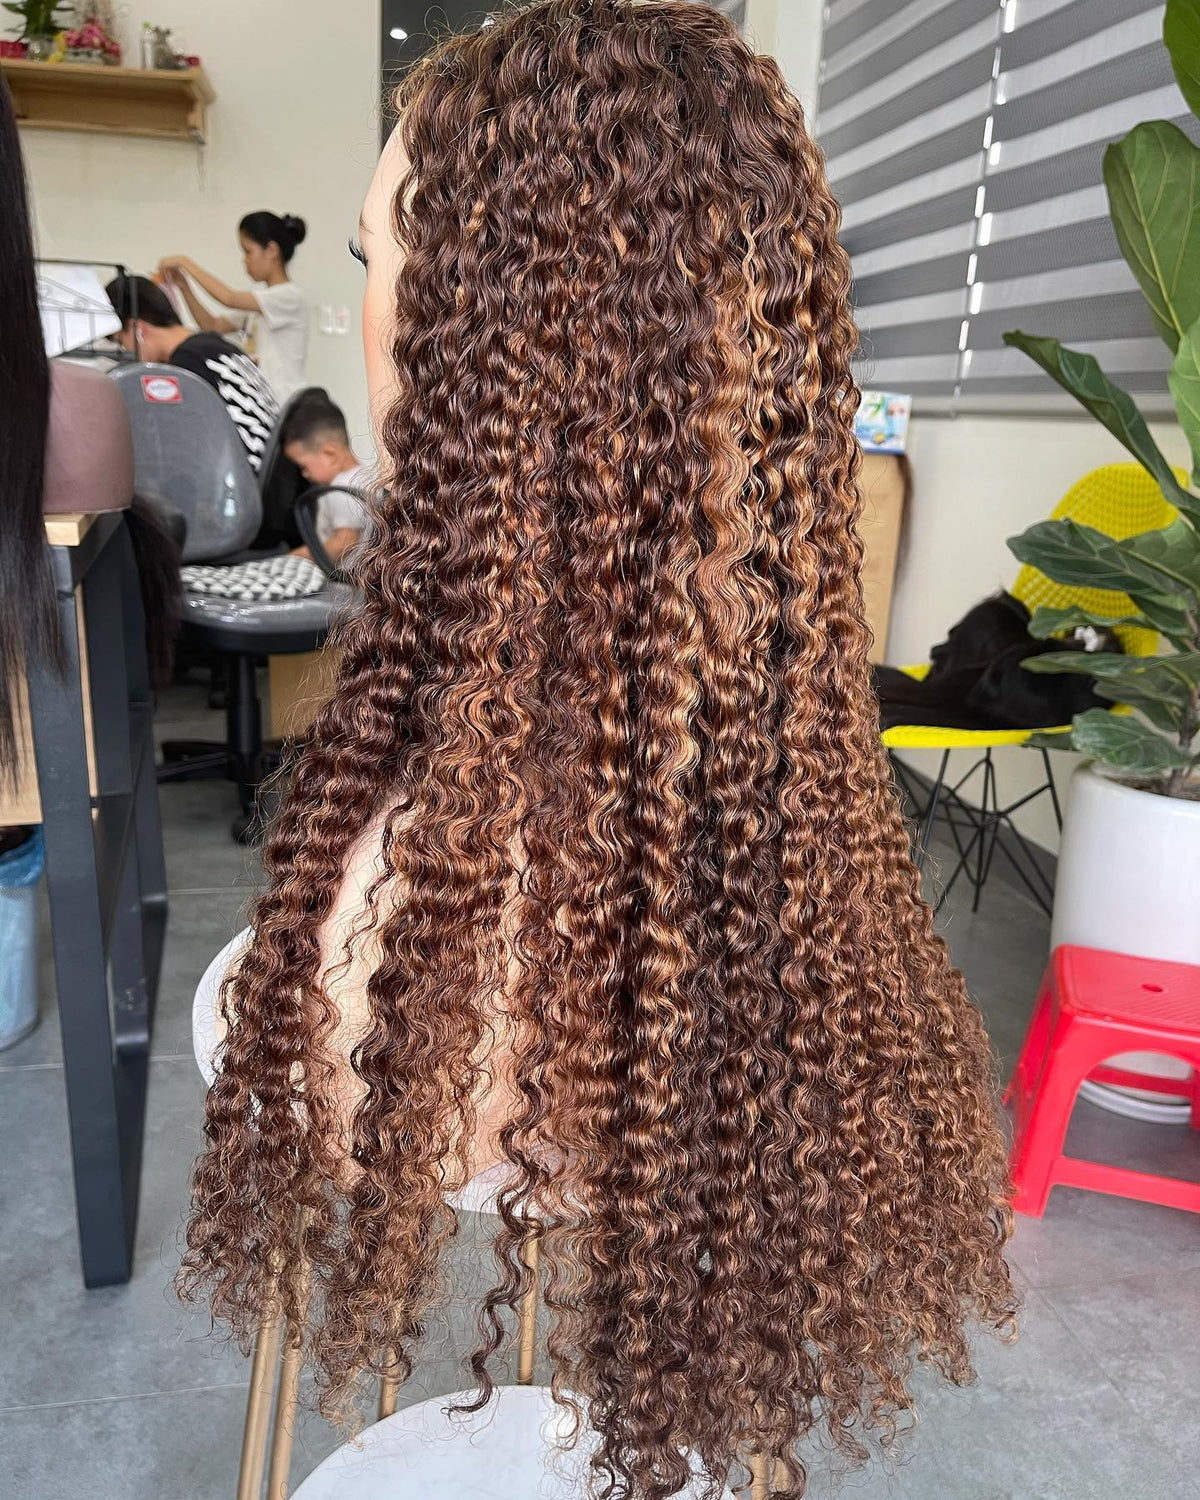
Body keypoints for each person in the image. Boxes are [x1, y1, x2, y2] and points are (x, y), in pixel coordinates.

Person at [181, 6, 1017, 1497]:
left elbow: (374, 1092)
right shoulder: (788, 788)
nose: (373, 308)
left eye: (385, 261)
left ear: (501, 326)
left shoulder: (434, 905)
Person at [105, 275, 279, 473]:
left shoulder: (188, 363)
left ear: (138, 329)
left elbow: (181, 449)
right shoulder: (218, 347)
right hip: (271, 476)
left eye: (121, 342)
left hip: (246, 481)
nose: (126, 352)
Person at [156, 211, 309, 400]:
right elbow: (212, 326)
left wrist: (185, 262)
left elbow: (228, 298)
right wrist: (184, 287)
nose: (245, 260)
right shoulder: (259, 306)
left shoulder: (289, 296)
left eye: (248, 251)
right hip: (263, 399)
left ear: (271, 250)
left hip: (284, 402)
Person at [281, 394, 371, 565]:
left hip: (342, 577)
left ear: (330, 454)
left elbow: (344, 543)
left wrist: (298, 557)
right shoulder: (365, 476)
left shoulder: (340, 490)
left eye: (303, 466)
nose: (304, 474)